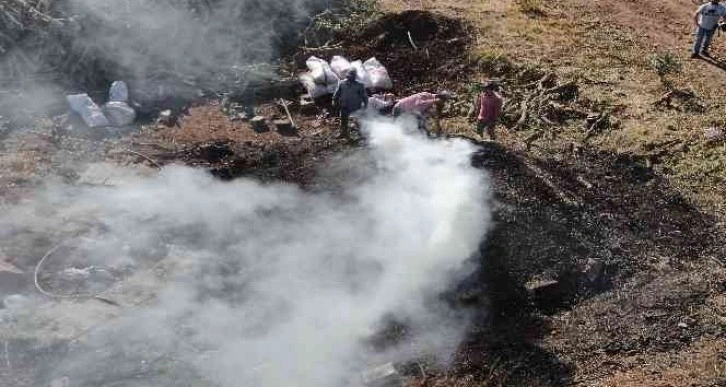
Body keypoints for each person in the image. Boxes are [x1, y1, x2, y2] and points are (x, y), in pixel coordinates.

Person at [332, 68, 368, 139]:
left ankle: (361, 134)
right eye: (350, 75)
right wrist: (334, 101)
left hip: (356, 106)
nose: (351, 77)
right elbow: (337, 93)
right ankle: (343, 133)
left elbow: (364, 96)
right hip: (344, 105)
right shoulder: (342, 83)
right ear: (347, 76)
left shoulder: (359, 85)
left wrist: (365, 104)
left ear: (355, 77)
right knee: (343, 120)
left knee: (359, 121)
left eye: (353, 76)